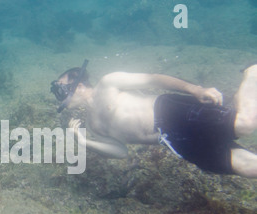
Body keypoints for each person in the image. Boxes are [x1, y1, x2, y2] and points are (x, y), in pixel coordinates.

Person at [50, 60, 257, 178]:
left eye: (61, 88)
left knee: (244, 124)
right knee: (245, 166)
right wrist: (84, 141)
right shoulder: (93, 125)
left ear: (78, 86)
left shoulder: (108, 83)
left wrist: (195, 89)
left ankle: (252, 73)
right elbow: (121, 152)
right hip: (170, 140)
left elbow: (153, 78)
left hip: (170, 111)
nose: (59, 96)